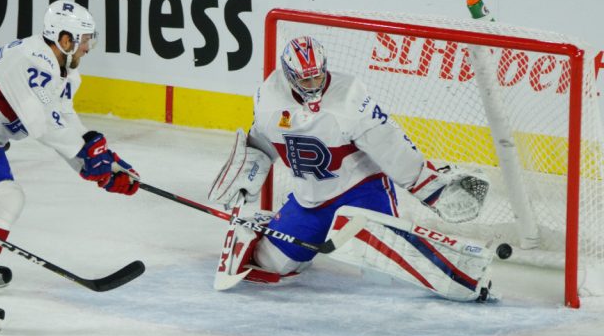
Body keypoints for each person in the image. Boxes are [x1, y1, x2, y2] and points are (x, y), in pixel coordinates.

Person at [208, 36, 495, 302]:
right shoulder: (269, 99)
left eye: (318, 76)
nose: (314, 85)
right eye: (305, 80)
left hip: (361, 192)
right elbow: (262, 141)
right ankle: (270, 224)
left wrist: (433, 188)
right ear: (289, 76)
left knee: (381, 274)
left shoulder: (350, 100)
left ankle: (466, 277)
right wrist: (245, 173)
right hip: (310, 201)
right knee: (271, 264)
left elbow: (392, 147)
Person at [0, 0, 141, 331]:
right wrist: (89, 155)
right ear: (64, 39)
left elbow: (62, 118)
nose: (87, 48)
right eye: (84, 41)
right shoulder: (29, 61)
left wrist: (101, 167)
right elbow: (43, 124)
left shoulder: (62, 73)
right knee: (3, 198)